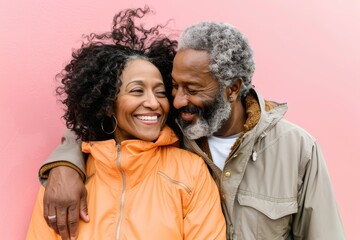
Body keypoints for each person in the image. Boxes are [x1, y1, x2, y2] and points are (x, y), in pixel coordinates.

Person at [38, 12, 346, 240]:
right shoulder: (170, 132)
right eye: (173, 86)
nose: (177, 100)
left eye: (193, 88)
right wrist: (66, 163)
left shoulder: (297, 149)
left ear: (232, 88)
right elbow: (105, 129)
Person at [27, 7, 226, 240]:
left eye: (160, 92)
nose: (153, 103)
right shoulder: (65, 180)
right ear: (108, 103)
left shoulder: (191, 171)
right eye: (137, 91)